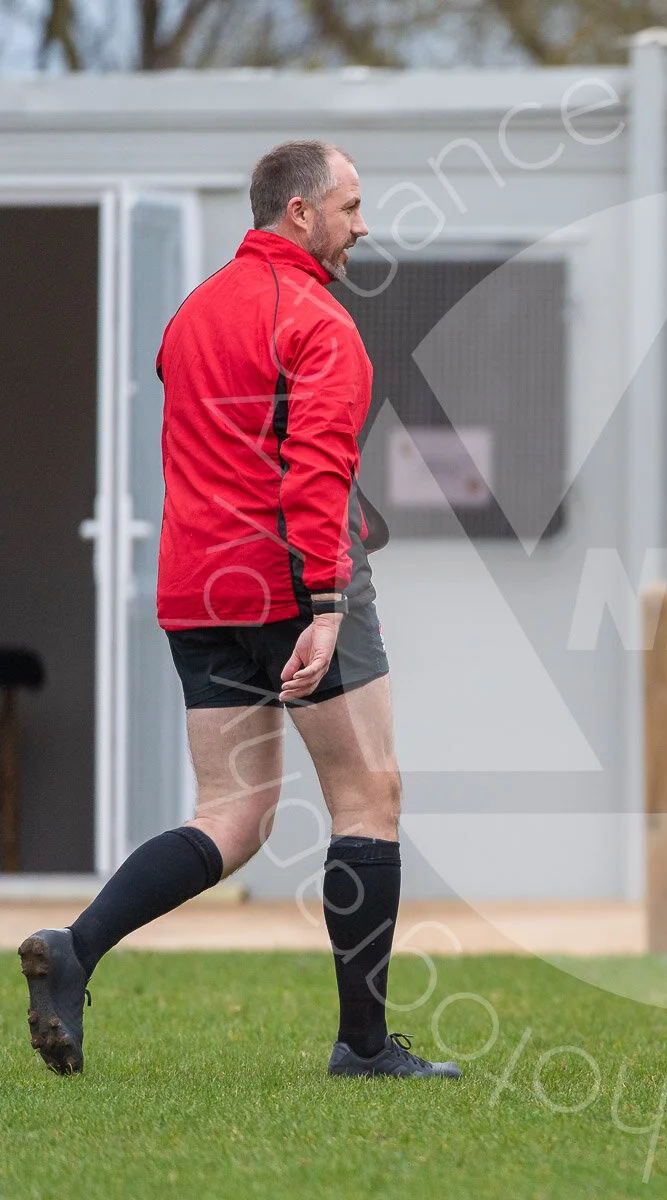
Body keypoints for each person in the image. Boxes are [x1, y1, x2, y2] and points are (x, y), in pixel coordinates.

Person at [18, 140, 458, 1079]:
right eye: (349, 206)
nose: (362, 224)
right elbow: (313, 472)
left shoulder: (190, 316)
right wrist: (329, 607)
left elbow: (226, 450)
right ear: (298, 212)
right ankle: (365, 1046)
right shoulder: (320, 321)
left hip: (199, 591)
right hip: (295, 587)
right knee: (367, 795)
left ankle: (77, 949)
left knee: (234, 810)